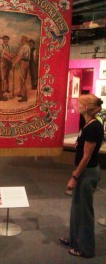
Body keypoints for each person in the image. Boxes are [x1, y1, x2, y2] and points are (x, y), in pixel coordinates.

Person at [59, 94, 104, 258]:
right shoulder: (89, 124)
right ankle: (74, 240)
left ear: (86, 108)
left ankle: (86, 249)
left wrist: (75, 176)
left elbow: (87, 157)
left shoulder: (94, 127)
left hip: (87, 173)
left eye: (79, 103)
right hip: (84, 172)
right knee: (77, 207)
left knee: (85, 211)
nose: (76, 104)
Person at [12, 35, 31, 102]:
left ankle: (24, 97)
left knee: (22, 80)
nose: (20, 41)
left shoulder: (23, 47)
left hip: (23, 63)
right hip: (27, 63)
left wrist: (14, 63)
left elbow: (20, 56)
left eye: (21, 40)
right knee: (24, 79)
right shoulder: (28, 47)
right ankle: (21, 93)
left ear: (23, 41)